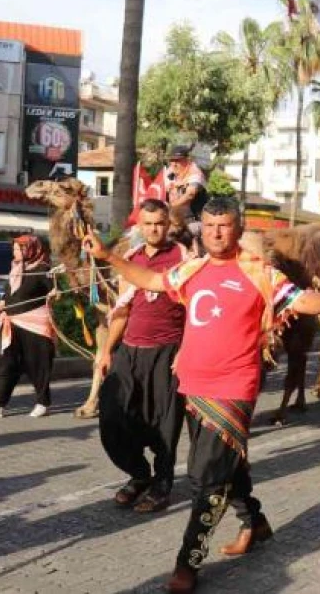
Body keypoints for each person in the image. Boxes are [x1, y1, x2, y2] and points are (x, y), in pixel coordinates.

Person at [82, 197, 320, 593]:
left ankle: (187, 563)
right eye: (209, 226)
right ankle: (255, 523)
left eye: (224, 226)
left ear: (238, 229)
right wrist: (108, 256)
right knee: (227, 462)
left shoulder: (260, 272)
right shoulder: (191, 268)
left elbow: (301, 301)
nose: (216, 233)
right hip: (191, 384)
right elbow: (152, 281)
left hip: (233, 388)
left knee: (204, 477)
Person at [95, 199, 190, 513]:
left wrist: (187, 351)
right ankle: (138, 473)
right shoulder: (131, 258)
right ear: (140, 226)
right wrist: (106, 351)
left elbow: (194, 311)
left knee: (165, 423)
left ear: (168, 224)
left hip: (168, 352)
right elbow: (122, 310)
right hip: (131, 351)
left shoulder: (183, 257)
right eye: (148, 223)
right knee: (112, 417)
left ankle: (162, 484)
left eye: (160, 223)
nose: (154, 229)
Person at [0, 235, 55, 418]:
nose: (15, 252)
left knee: (37, 364)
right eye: (15, 249)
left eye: (20, 248)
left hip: (35, 325)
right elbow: (8, 297)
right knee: (4, 361)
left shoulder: (43, 270)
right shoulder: (15, 269)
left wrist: (55, 294)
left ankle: (43, 402)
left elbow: (54, 292)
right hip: (11, 322)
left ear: (32, 249)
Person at [167, 145, 209, 252]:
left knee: (172, 235)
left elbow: (190, 195)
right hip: (177, 221)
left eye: (178, 160)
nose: (174, 164)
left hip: (195, 221)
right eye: (171, 160)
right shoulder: (172, 175)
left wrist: (171, 207)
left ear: (187, 160)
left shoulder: (195, 174)